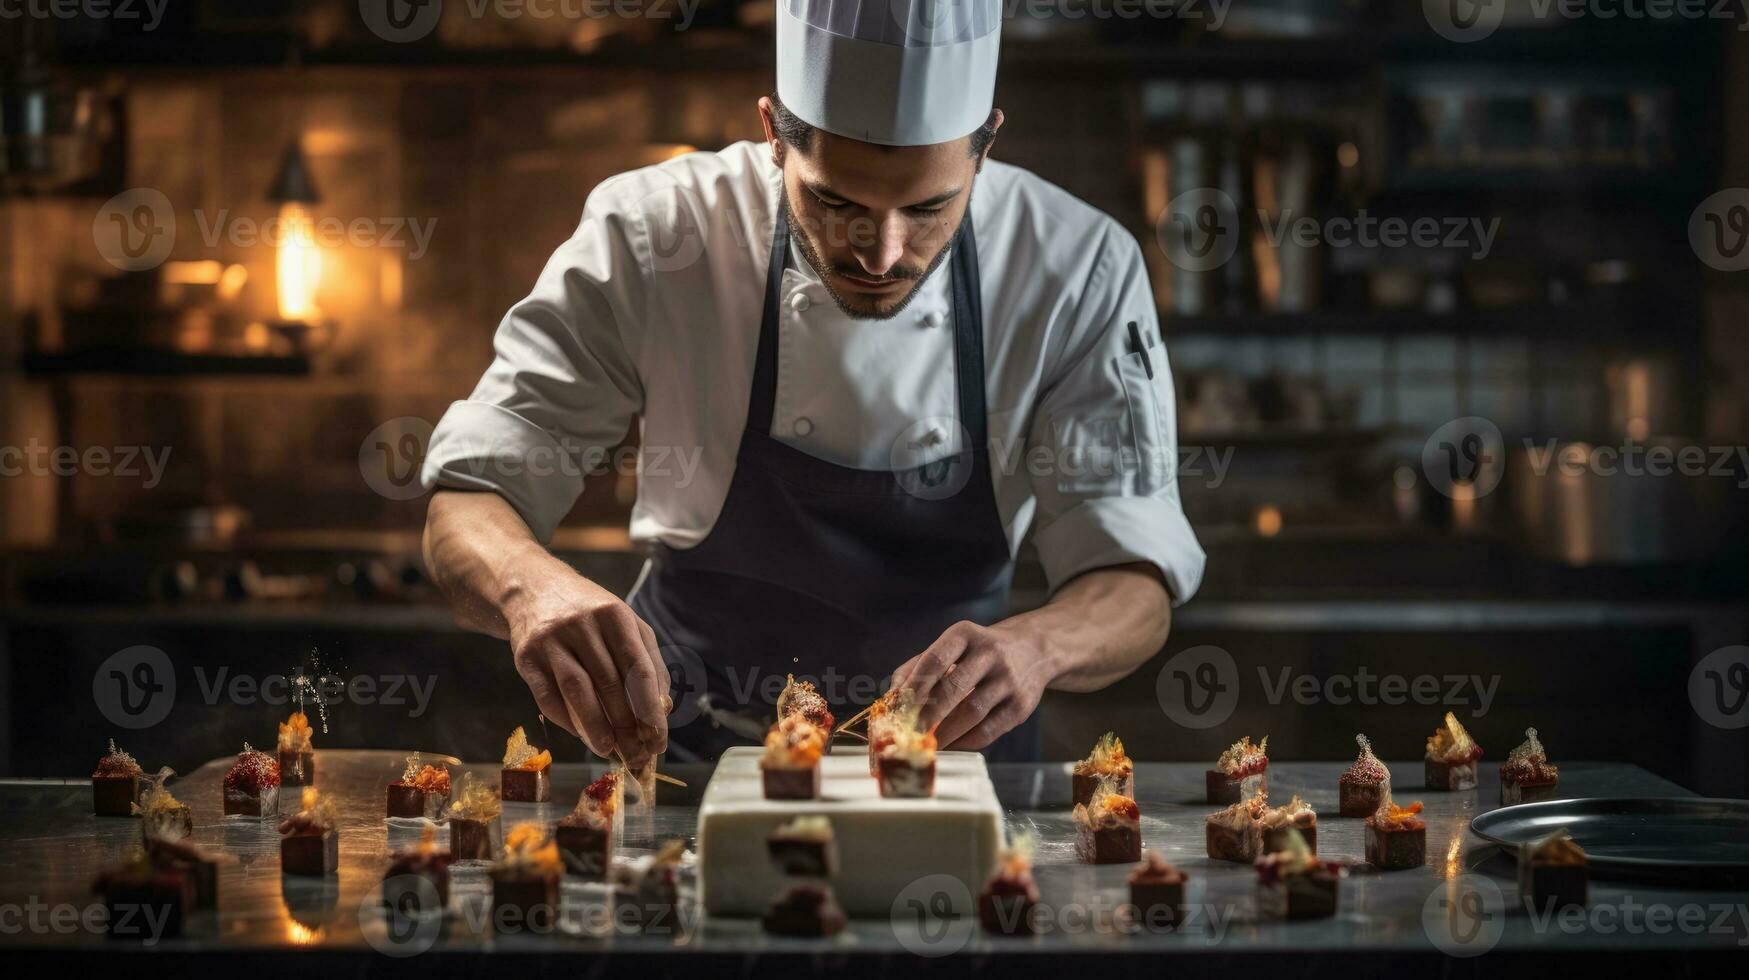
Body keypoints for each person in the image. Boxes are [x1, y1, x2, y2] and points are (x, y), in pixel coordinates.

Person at [420, 0, 1205, 762]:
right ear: (772, 132)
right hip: (683, 758)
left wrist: (1035, 647)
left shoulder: (1075, 266)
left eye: (929, 207)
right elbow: (469, 503)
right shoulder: (657, 235)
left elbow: (1130, 576)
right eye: (835, 201)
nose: (881, 254)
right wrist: (533, 591)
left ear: (985, 144)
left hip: (952, 780)